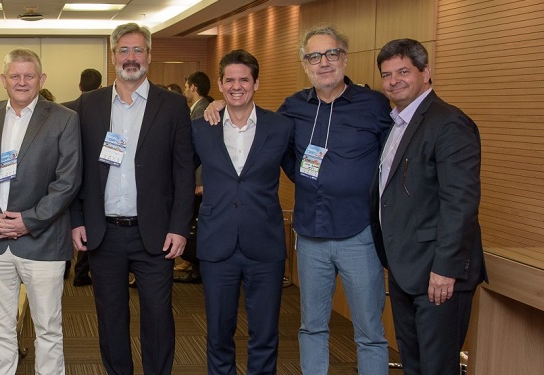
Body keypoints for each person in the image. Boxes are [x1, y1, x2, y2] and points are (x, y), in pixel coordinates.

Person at [205, 24, 392, 374]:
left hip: (359, 235)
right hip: (310, 235)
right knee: (312, 327)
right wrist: (218, 105)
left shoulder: (374, 105)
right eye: (314, 56)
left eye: (331, 54)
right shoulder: (292, 109)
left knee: (369, 332)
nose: (324, 63)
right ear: (305, 64)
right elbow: (268, 142)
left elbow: (395, 159)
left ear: (344, 58)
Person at [70, 23, 194, 375]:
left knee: (157, 318)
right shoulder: (88, 105)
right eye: (123, 50)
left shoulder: (172, 105)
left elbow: (183, 173)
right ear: (113, 57)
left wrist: (180, 227)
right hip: (103, 233)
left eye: (138, 50)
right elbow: (76, 170)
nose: (131, 57)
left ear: (150, 56)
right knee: (110, 319)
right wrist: (77, 218)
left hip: (154, 234)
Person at [0, 48, 81, 375]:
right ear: (4, 80)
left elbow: (67, 181)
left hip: (43, 242)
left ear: (42, 80)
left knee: (48, 329)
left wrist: (28, 221)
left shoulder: (64, 118)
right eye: (15, 75)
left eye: (30, 76)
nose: (22, 82)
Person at [371, 38, 486, 375]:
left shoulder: (448, 123)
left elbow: (460, 202)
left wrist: (446, 269)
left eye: (403, 71)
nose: (394, 81)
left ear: (426, 72)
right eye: (387, 74)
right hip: (407, 269)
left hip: (439, 274)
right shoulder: (397, 124)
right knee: (415, 364)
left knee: (438, 367)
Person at [193, 49, 294, 375]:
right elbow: (177, 177)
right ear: (220, 85)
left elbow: (301, 172)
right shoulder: (201, 127)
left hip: (264, 245)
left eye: (244, 80)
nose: (237, 86)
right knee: (219, 334)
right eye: (230, 80)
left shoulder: (280, 127)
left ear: (256, 83)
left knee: (264, 334)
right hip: (216, 242)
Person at [61, 67, 103, 287]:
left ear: (79, 86)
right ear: (101, 86)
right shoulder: (106, 111)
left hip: (65, 181)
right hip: (94, 185)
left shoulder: (64, 109)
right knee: (90, 228)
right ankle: (82, 272)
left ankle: (64, 266)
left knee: (67, 225)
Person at [174, 70, 216, 283]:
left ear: (194, 87)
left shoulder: (203, 111)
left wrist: (198, 183)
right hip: (198, 182)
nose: (185, 89)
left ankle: (198, 267)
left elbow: (202, 151)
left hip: (200, 184)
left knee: (197, 226)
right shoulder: (198, 109)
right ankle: (194, 264)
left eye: (186, 85)